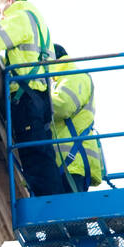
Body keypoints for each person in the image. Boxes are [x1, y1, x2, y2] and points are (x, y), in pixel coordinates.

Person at [0, 0, 70, 197]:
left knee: (34, 157)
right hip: (41, 98)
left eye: (0, 10)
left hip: (26, 98)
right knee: (44, 155)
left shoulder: (20, 15)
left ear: (8, 0)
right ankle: (55, 202)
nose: (2, 16)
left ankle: (50, 207)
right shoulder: (41, 25)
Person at [49, 44, 105, 192]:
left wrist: (36, 101)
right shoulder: (61, 80)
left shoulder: (74, 75)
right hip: (68, 163)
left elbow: (63, 105)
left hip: (72, 162)